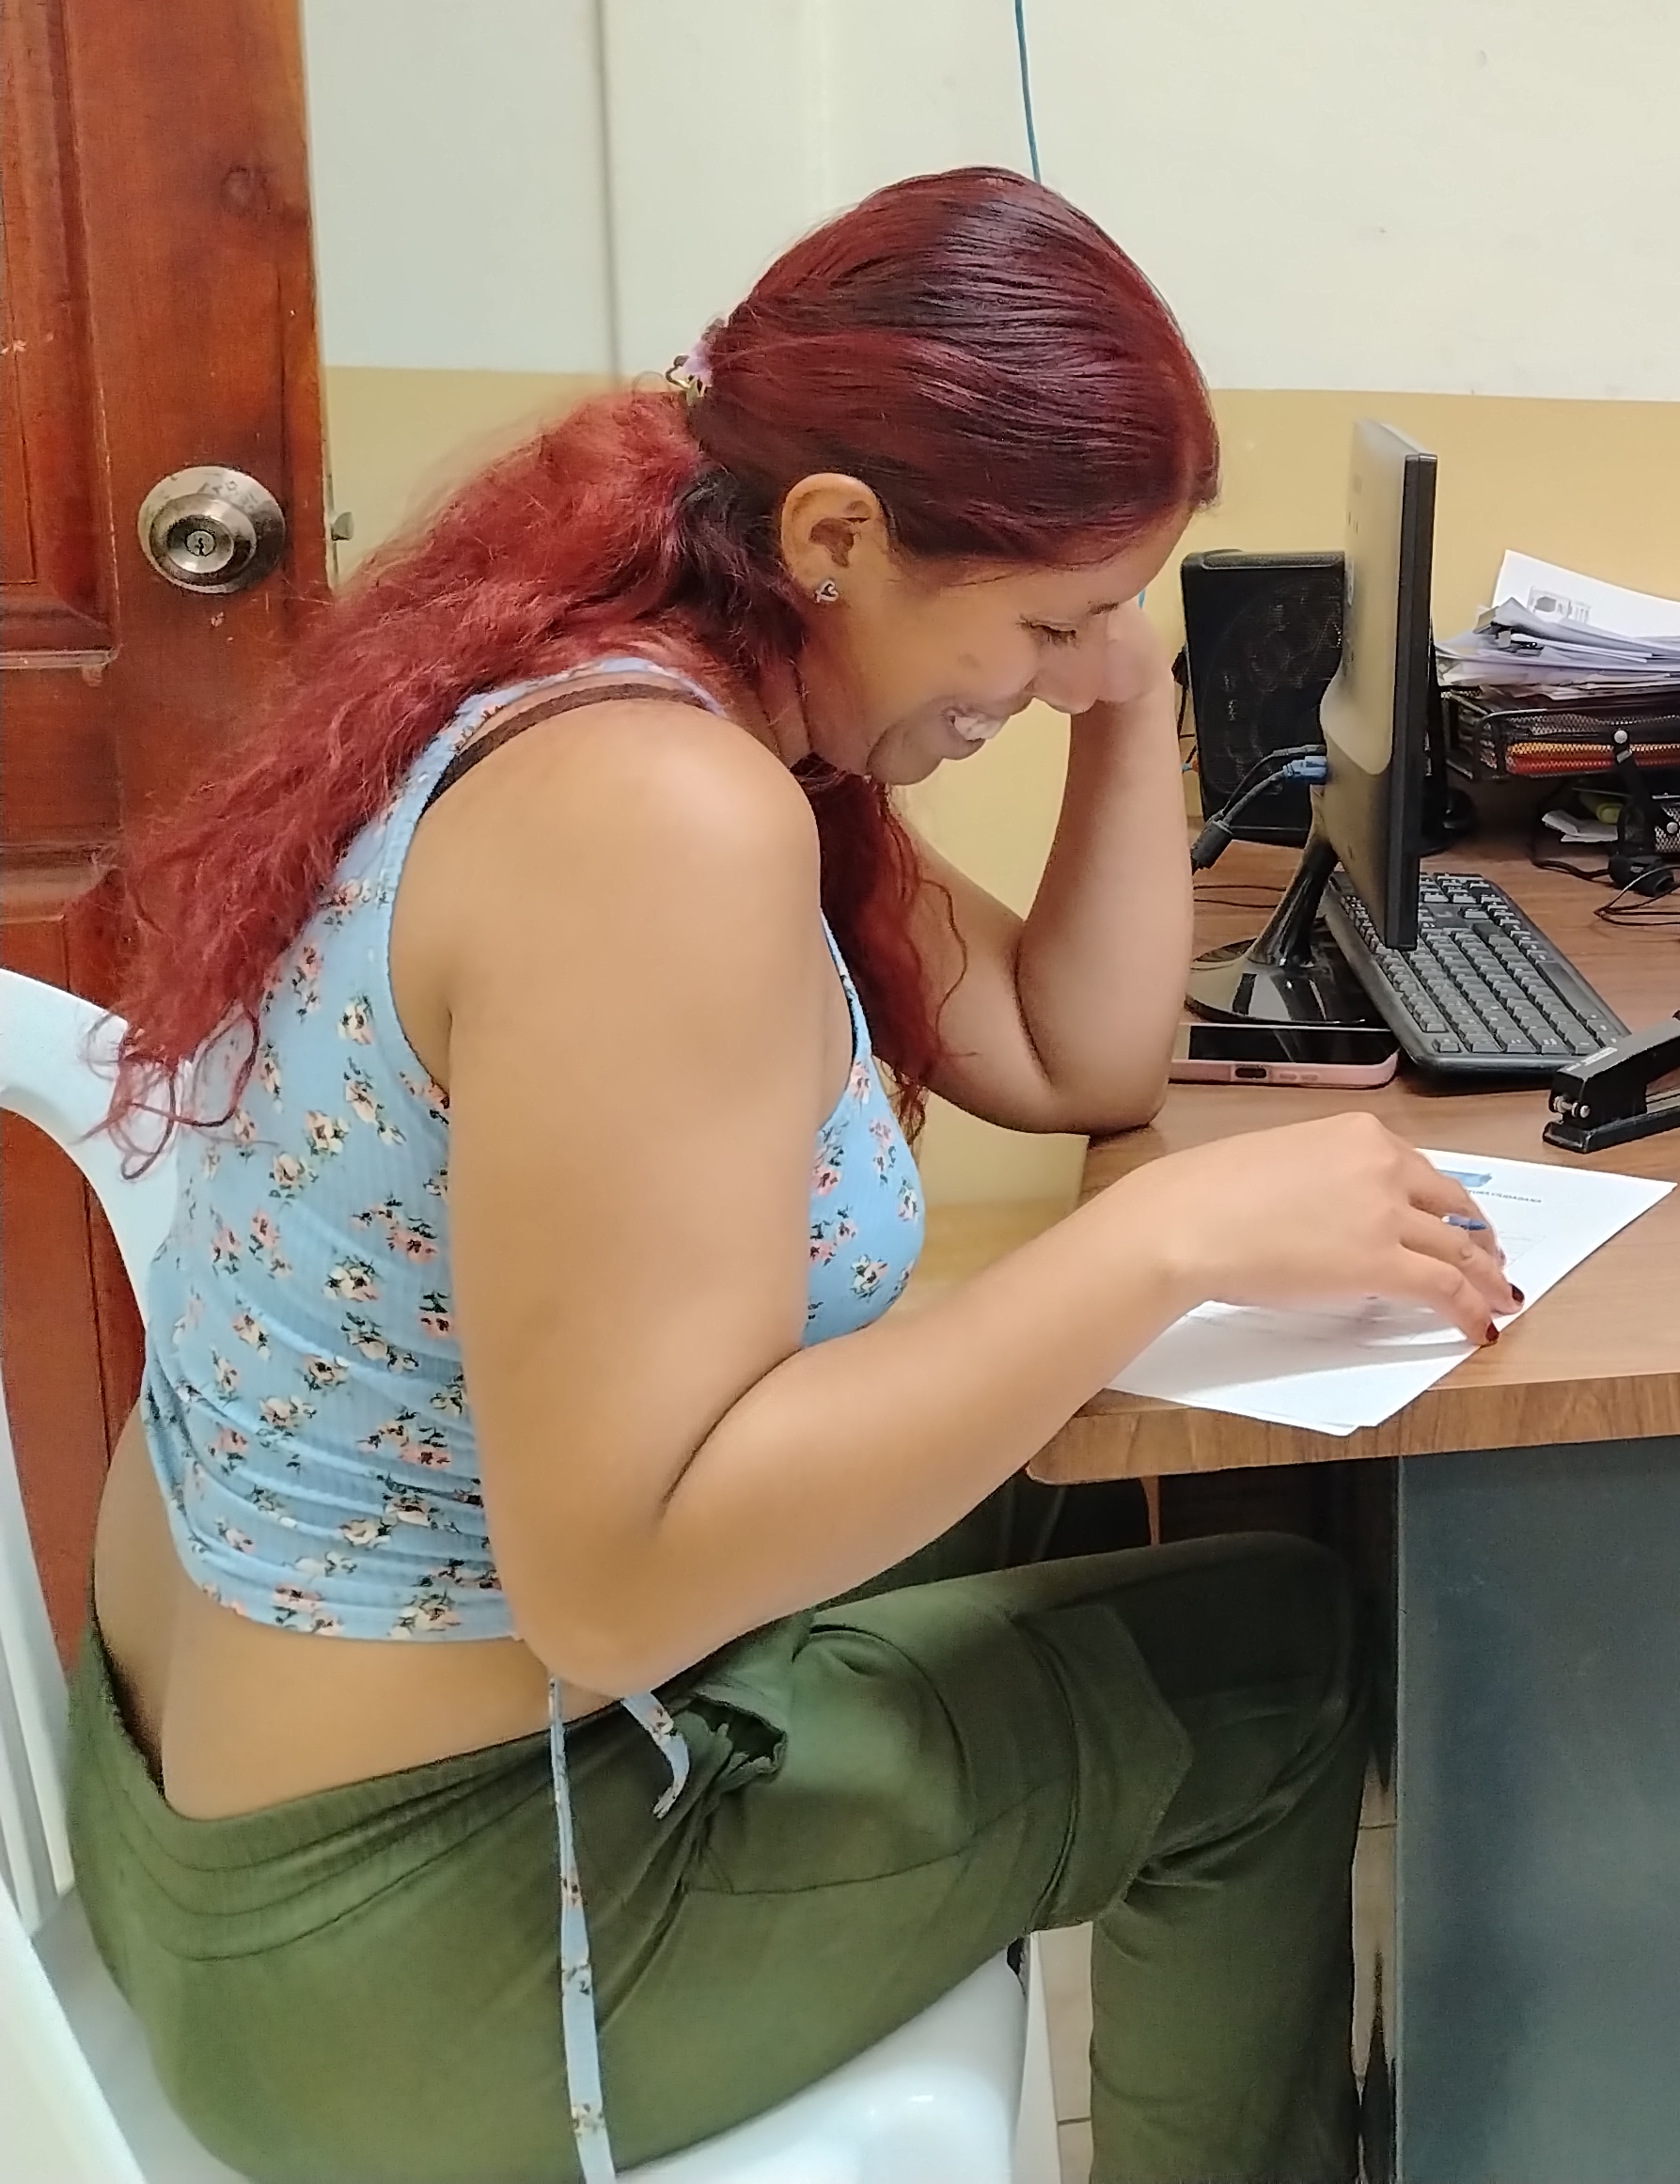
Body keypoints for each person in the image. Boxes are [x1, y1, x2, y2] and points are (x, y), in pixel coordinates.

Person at [77, 170, 1516, 2184]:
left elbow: (1070, 1054)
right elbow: (617, 1588)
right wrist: (1159, 1243)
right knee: (1267, 1669)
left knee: (1144, 1472)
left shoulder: (644, 686)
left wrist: (1123, 697)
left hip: (238, 1812)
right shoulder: (658, 824)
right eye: (1043, 623)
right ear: (836, 537)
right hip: (415, 1942)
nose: (1054, 670)